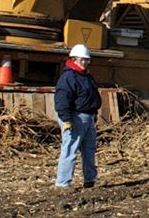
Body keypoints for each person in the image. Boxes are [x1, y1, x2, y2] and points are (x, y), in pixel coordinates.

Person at [54, 44, 102, 189]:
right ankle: (63, 183)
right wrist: (66, 120)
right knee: (70, 150)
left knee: (89, 150)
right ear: (74, 59)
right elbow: (62, 101)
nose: (86, 62)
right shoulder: (68, 77)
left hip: (88, 117)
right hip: (75, 118)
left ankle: (90, 180)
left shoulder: (86, 75)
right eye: (83, 60)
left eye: (87, 60)